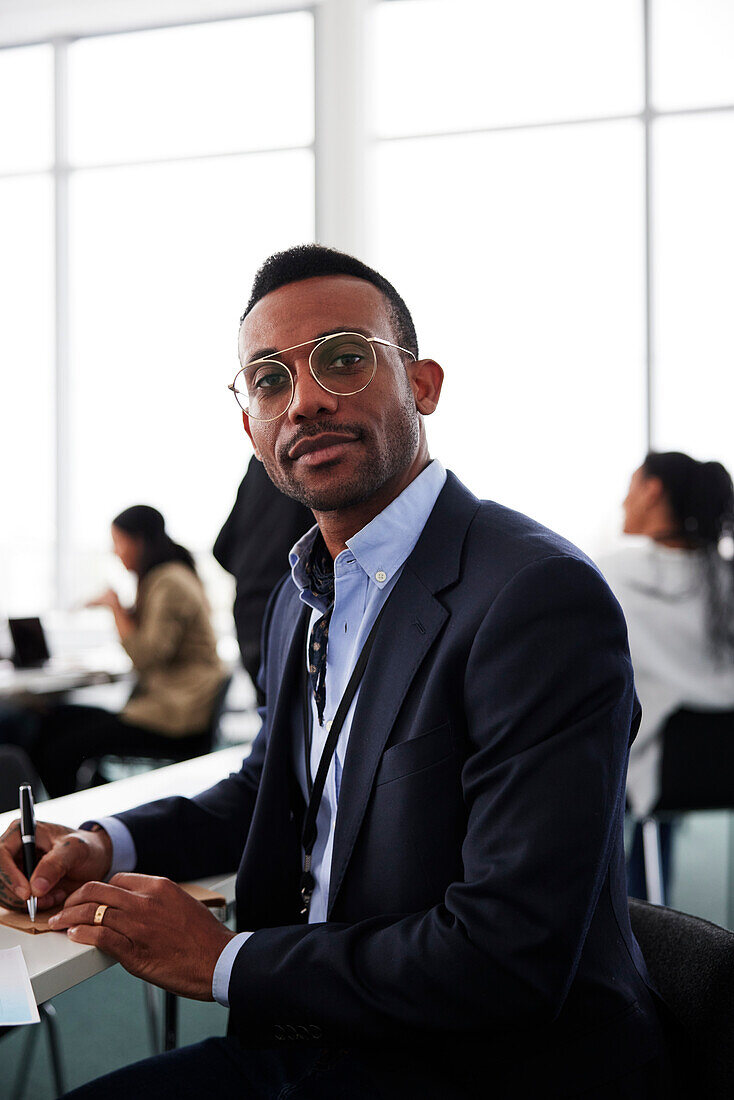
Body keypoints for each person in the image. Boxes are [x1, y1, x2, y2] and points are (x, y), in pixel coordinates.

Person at [0, 246, 671, 1098]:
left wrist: (225, 959)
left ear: (423, 386)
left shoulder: (534, 597)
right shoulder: (302, 589)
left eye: (345, 359)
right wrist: (105, 844)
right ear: (250, 428)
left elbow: (509, 955)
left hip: (483, 1065)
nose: (306, 400)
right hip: (329, 1033)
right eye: (269, 381)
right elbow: (271, 789)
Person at [600, 452, 734, 894]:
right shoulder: (725, 577)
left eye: (632, 487)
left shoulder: (614, 574)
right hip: (715, 764)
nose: (623, 502)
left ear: (653, 491)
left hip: (655, 774)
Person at [30, 505, 226, 796]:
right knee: (55, 720)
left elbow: (146, 656)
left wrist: (115, 607)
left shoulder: (169, 581)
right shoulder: (166, 578)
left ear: (139, 541)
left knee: (60, 748)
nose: (115, 552)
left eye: (118, 542)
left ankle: (77, 820)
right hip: (171, 706)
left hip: (174, 717)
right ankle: (96, 803)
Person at [213, 457, 312, 705]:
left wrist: (253, 572)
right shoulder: (317, 466)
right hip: (295, 614)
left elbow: (220, 548)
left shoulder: (263, 461)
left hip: (248, 618)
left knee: (273, 723)